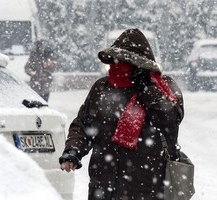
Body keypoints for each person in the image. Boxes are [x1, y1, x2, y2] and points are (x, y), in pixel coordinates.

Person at [59, 28, 184, 200]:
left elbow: (169, 121)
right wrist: (74, 150)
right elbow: (83, 124)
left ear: (140, 64)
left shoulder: (163, 87)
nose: (116, 67)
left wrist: (146, 89)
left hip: (147, 189)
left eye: (124, 62)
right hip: (103, 186)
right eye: (114, 61)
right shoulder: (102, 87)